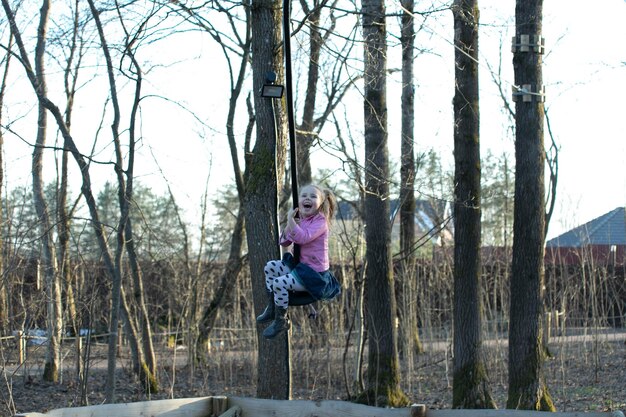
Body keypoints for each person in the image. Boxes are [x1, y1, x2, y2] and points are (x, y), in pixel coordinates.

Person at [257, 184, 341, 339]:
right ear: (298, 201)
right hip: (300, 267)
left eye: (313, 196)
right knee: (270, 267)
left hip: (313, 274)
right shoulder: (300, 220)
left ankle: (281, 320)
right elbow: (284, 242)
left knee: (278, 284)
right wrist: (292, 223)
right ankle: (272, 307)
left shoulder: (320, 222)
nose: (307, 198)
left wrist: (291, 220)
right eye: (304, 196)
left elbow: (303, 237)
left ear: (321, 203)